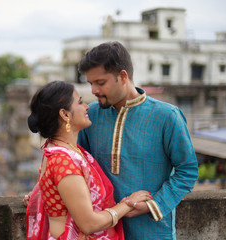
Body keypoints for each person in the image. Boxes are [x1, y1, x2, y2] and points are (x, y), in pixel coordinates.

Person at [77, 41, 199, 240]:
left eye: (100, 83)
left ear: (123, 76)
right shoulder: (92, 116)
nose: (94, 91)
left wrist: (153, 204)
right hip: (103, 232)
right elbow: (77, 165)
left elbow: (187, 171)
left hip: (153, 231)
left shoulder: (167, 116)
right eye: (91, 84)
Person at [25, 81, 152, 239]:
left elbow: (54, 189)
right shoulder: (63, 162)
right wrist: (127, 204)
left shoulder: (63, 151)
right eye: (79, 102)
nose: (86, 107)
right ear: (65, 114)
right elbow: (89, 224)